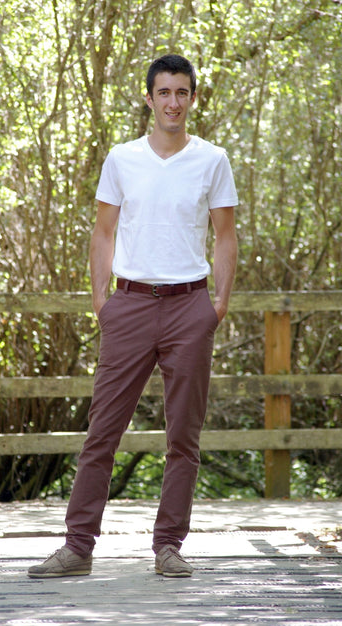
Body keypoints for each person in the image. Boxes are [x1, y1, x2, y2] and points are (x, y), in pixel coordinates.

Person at [28, 53, 238, 579]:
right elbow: (103, 232)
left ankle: (169, 546)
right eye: (164, 92)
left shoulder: (213, 160)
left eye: (182, 92)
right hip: (130, 305)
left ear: (193, 98)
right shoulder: (122, 159)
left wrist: (217, 306)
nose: (173, 102)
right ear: (149, 98)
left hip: (190, 306)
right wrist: (103, 302)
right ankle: (78, 546)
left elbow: (226, 236)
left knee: (183, 437)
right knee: (103, 431)